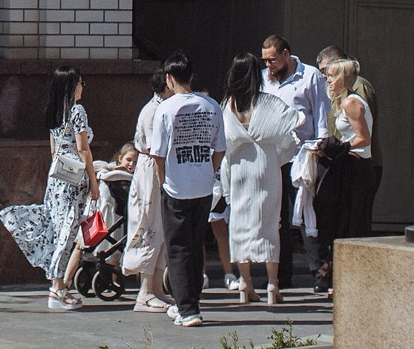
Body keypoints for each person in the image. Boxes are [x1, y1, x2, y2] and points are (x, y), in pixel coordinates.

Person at [0, 67, 97, 310]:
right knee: (67, 231)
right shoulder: (77, 111)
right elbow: (83, 149)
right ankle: (57, 288)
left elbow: (54, 150)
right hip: (73, 180)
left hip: (57, 178)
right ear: (73, 85)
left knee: (57, 228)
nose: (83, 86)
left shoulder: (54, 112)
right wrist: (93, 182)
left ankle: (58, 284)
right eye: (81, 82)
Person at [144, 53, 223, 328]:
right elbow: (220, 148)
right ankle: (192, 303)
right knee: (196, 245)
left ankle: (186, 308)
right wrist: (209, 172)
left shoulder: (165, 108)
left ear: (168, 78)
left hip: (176, 186)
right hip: (203, 185)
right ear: (191, 76)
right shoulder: (212, 105)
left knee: (178, 248)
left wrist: (163, 179)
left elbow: (158, 154)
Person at [221, 53, 301, 306]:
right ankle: (272, 284)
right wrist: (277, 156)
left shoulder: (228, 105)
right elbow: (291, 130)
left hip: (238, 168)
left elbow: (222, 143)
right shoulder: (269, 103)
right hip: (265, 166)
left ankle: (245, 283)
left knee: (239, 225)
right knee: (270, 224)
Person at [260, 35, 330, 288]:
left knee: (305, 212)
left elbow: (322, 112)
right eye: (265, 61)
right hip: (273, 156)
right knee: (276, 216)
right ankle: (280, 273)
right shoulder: (264, 78)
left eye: (273, 60)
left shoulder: (310, 76)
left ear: (286, 55)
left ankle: (319, 272)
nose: (269, 66)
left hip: (301, 155)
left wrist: (320, 145)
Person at [312, 57, 382, 292]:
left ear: (344, 78)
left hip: (358, 168)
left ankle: (355, 280)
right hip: (351, 167)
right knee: (343, 222)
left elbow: (364, 138)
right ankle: (343, 278)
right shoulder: (344, 102)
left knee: (353, 223)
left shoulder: (352, 103)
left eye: (332, 76)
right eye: (327, 76)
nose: (328, 81)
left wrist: (339, 147)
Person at [124, 67, 172, 313]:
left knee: (161, 228)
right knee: (149, 226)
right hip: (151, 171)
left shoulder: (164, 107)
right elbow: (156, 148)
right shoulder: (153, 111)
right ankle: (144, 292)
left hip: (158, 170)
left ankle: (157, 288)